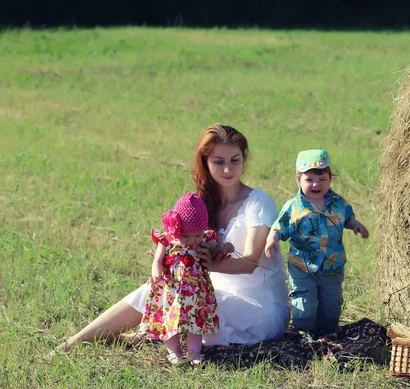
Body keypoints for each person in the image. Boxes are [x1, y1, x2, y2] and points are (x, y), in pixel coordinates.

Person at [59, 123, 290, 352]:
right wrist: (165, 258)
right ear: (205, 162)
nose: (228, 169)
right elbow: (176, 242)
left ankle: (100, 340)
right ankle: (77, 341)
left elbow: (250, 262)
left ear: (244, 159)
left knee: (189, 298)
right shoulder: (200, 204)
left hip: (259, 308)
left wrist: (212, 263)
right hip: (210, 292)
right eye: (219, 162)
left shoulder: (259, 202)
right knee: (158, 287)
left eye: (235, 160)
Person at [264, 149, 369, 339]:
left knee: (331, 300)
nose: (316, 184)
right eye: (309, 179)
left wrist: (356, 225)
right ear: (298, 181)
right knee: (304, 300)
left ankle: (328, 332)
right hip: (302, 265)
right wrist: (272, 239)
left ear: (330, 179)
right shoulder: (294, 207)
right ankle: (304, 332)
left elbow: (347, 218)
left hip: (332, 263)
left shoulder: (338, 203)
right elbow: (279, 227)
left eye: (322, 179)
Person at [140, 192, 227, 365]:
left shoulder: (204, 237)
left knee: (195, 320)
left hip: (196, 291)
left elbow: (217, 248)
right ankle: (175, 352)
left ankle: (195, 353)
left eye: (197, 235)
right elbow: (158, 259)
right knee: (169, 320)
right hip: (171, 288)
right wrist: (156, 269)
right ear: (176, 228)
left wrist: (225, 248)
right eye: (186, 236)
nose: (192, 240)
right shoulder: (167, 240)